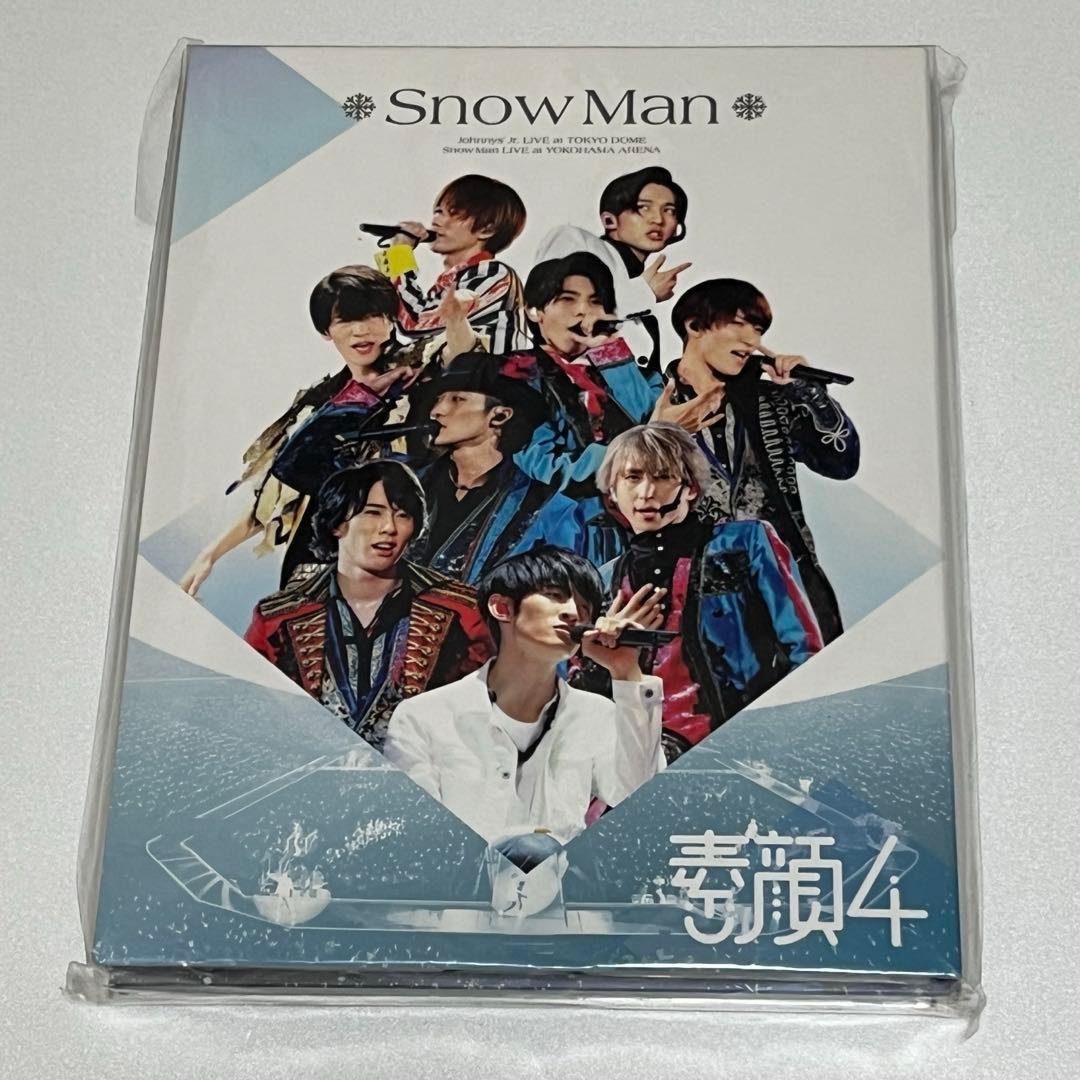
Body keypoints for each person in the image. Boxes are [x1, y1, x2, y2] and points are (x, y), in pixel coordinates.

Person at [383, 546, 666, 843]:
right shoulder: (424, 716)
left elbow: (640, 797)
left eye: (584, 608)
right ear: (502, 608)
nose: (573, 613)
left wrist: (625, 672)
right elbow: (416, 834)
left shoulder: (597, 715)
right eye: (554, 595)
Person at [179, 265, 424, 595]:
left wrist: (400, 251)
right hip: (316, 559)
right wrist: (210, 554)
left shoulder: (418, 376)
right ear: (326, 331)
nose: (360, 330)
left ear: (392, 318)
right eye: (345, 320)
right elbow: (276, 495)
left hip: (392, 557)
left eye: (372, 316)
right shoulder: (318, 400)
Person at [593, 423, 823, 762]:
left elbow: (804, 648)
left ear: (689, 487)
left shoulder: (745, 541)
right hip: (646, 759)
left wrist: (779, 737)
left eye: (662, 476)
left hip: (745, 748)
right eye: (632, 477)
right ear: (612, 491)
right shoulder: (604, 580)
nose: (646, 492)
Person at [244, 461, 492, 749]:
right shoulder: (278, 618)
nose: (389, 528)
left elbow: (488, 711)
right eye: (373, 513)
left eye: (403, 515)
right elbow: (248, 711)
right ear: (337, 523)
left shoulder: (462, 611)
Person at [665, 278, 860, 641]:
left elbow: (841, 463)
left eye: (758, 330)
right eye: (739, 324)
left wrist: (810, 394)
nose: (752, 341)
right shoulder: (650, 398)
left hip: (789, 582)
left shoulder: (771, 400)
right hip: (700, 593)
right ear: (694, 325)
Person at [507, 252, 713, 563]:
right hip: (574, 537)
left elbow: (653, 416)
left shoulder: (631, 370)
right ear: (534, 312)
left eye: (595, 301)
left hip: (649, 530)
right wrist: (649, 438)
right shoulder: (516, 377)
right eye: (567, 299)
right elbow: (549, 469)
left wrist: (611, 353)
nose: (584, 311)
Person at [410, 353, 589, 582]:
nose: (437, 411)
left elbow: (561, 590)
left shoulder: (550, 509)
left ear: (500, 415)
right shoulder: (404, 482)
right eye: (438, 399)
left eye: (458, 399)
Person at [535, 166, 692, 376]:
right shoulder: (576, 240)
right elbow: (557, 312)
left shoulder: (638, 291)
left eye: (669, 210)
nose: (658, 219)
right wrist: (644, 293)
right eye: (643, 208)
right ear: (609, 220)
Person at [378, 173, 530, 357]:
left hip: (487, 374)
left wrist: (400, 253)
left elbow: (416, 321)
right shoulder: (454, 280)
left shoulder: (493, 274)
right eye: (438, 211)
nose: (436, 221)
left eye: (452, 213)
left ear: (487, 229)